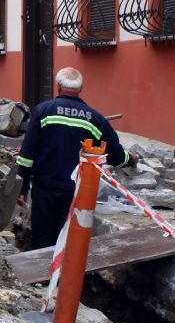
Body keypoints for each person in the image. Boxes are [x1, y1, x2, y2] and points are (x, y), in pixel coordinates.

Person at [16, 67, 133, 250]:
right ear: (81, 88)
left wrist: (22, 186)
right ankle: (65, 277)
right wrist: (131, 160)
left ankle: (42, 277)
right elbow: (116, 156)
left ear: (58, 87)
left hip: (44, 188)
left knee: (43, 239)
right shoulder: (95, 118)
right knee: (69, 243)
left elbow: (26, 156)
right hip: (76, 192)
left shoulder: (42, 111)